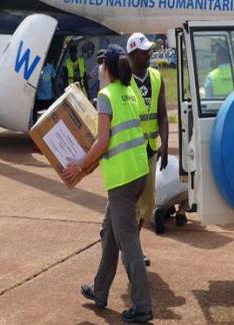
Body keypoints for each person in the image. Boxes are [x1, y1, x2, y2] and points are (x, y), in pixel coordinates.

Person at [62, 44, 153, 323]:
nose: (98, 70)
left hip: (122, 180)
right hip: (139, 172)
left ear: (107, 69)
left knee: (129, 243)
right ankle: (100, 291)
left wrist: (79, 164)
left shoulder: (105, 95)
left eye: (101, 66)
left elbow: (102, 142)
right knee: (109, 234)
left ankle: (142, 307)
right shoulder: (130, 91)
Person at [126, 33, 169, 237]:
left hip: (151, 148)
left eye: (149, 50)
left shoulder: (156, 77)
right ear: (133, 54)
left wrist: (165, 145)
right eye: (144, 51)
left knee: (149, 203)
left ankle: (130, 241)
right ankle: (132, 246)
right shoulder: (124, 81)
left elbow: (162, 115)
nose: (149, 54)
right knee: (130, 201)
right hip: (130, 151)